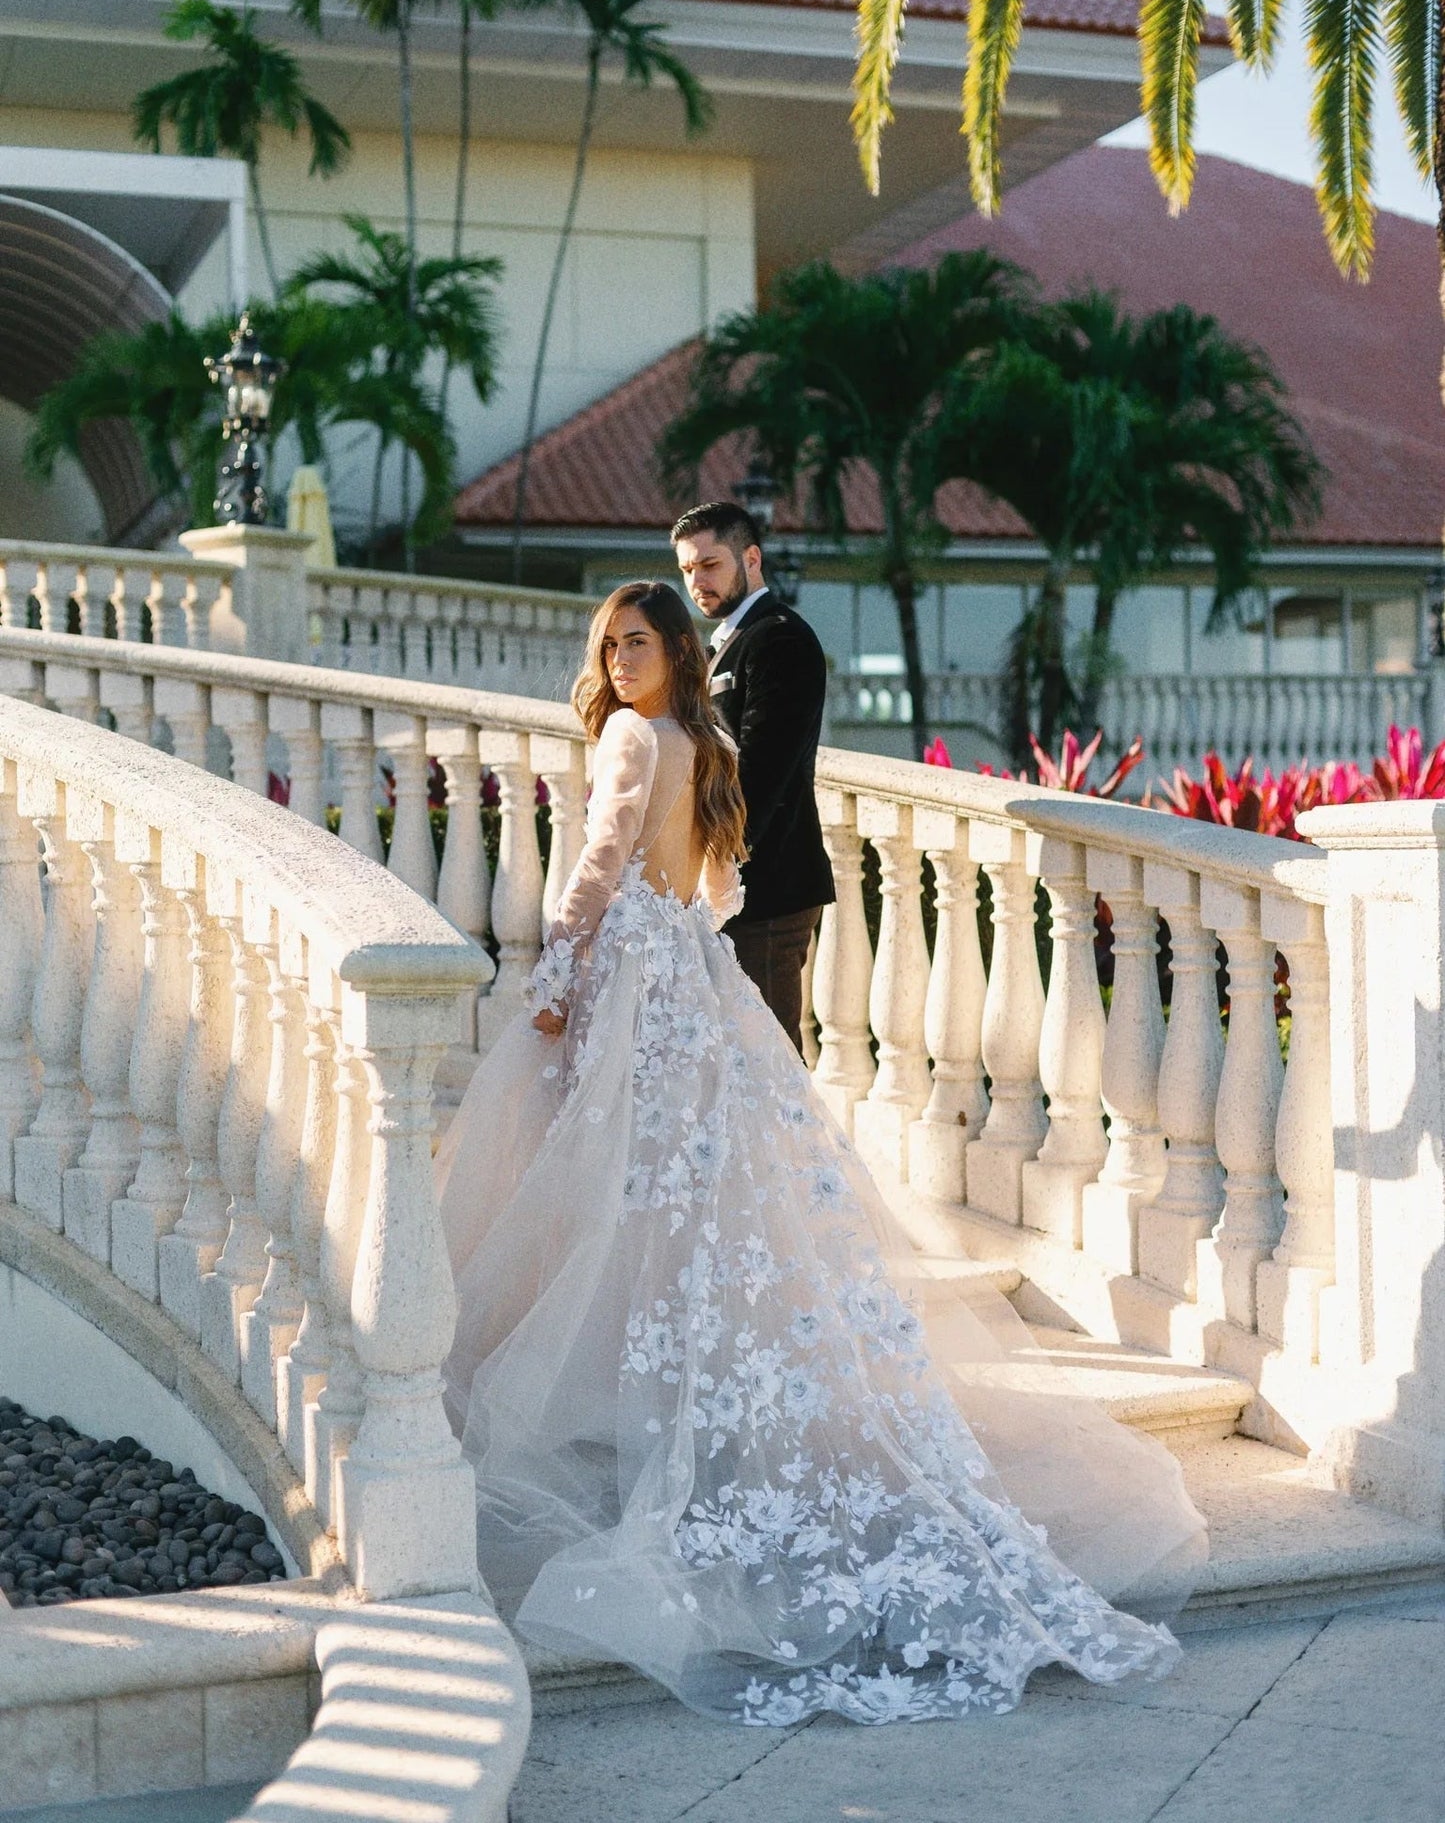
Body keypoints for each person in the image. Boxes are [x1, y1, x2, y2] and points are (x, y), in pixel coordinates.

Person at [436, 580, 1206, 1728]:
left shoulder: (627, 739)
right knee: (679, 1204)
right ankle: (657, 1400)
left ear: (676, 649)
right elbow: (717, 882)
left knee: (612, 1196)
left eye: (638, 640)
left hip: (635, 985)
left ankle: (636, 1413)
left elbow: (595, 866)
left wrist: (556, 982)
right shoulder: (701, 736)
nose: (621, 656)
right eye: (610, 642)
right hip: (692, 976)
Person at [670, 502, 834, 1052]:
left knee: (769, 1063)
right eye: (688, 569)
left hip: (766, 889)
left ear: (752, 558)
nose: (698, 581)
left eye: (710, 565)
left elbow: (761, 776)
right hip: (731, 888)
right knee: (733, 1061)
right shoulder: (726, 642)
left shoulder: (781, 639)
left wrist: (706, 866)